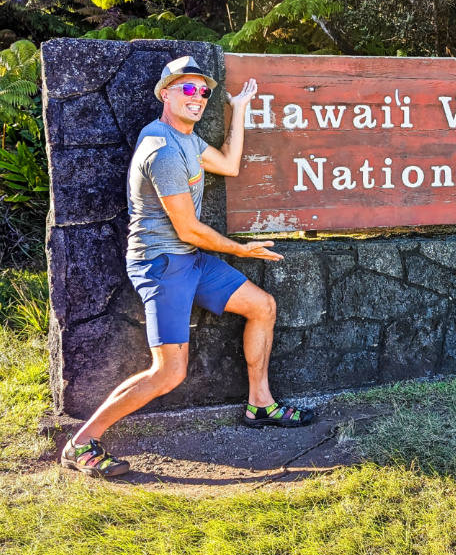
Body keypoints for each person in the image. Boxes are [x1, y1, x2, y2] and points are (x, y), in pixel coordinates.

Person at [61, 56, 315, 479]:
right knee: (169, 372)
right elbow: (188, 228)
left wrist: (239, 110)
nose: (198, 98)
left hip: (192, 259)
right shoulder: (161, 149)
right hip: (161, 264)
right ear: (165, 93)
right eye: (188, 89)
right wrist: (241, 250)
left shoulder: (188, 140)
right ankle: (82, 442)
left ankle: (260, 404)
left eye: (203, 91)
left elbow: (230, 165)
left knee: (262, 306)